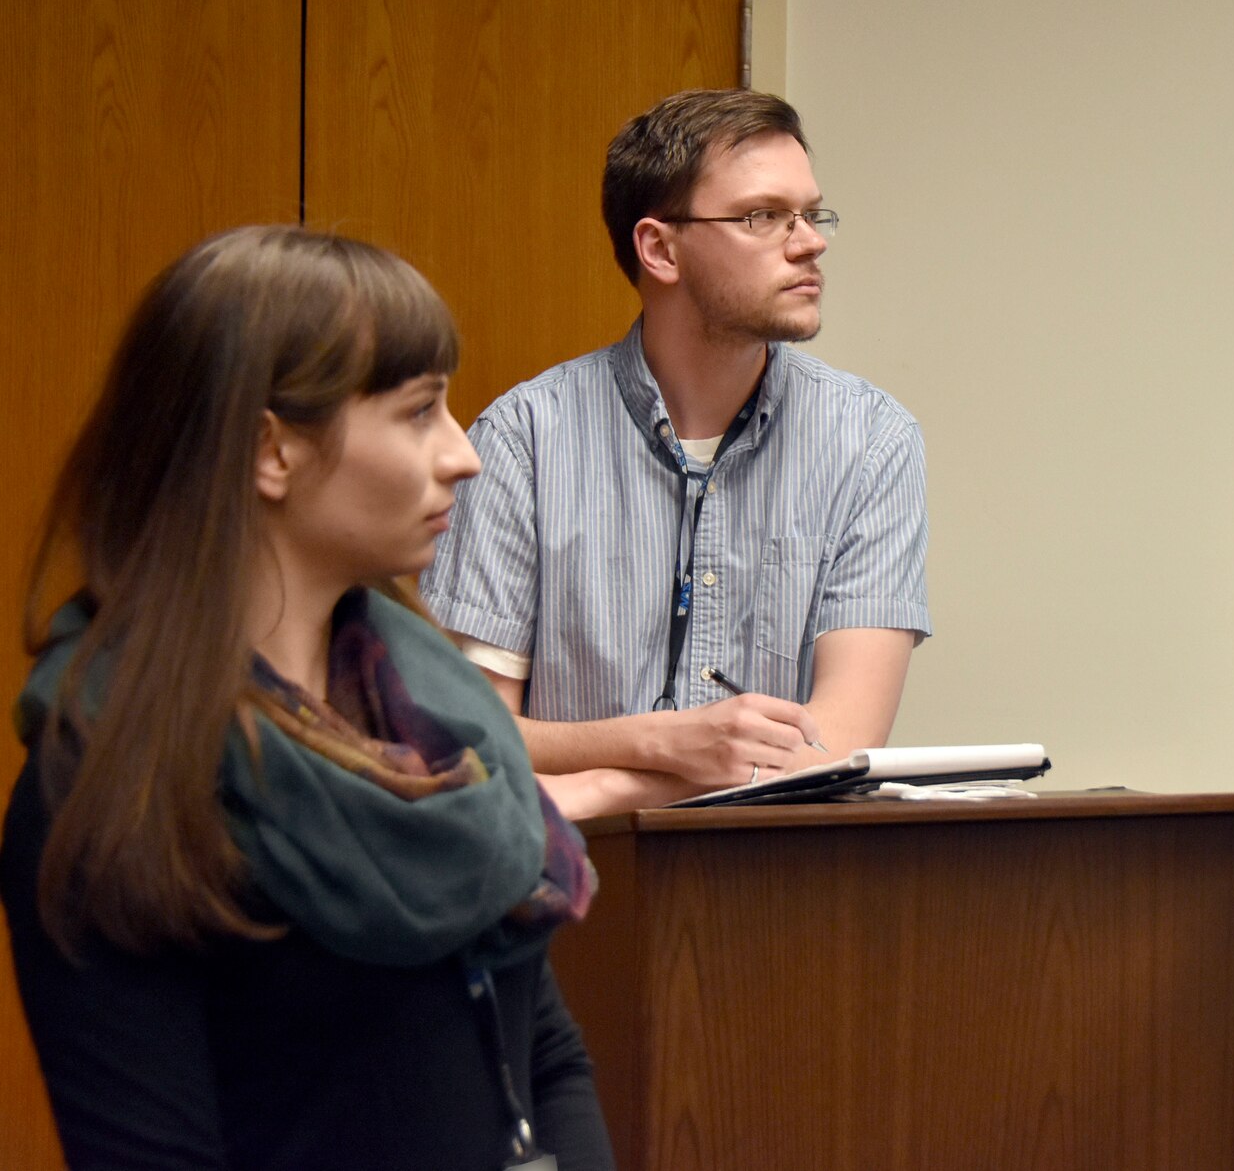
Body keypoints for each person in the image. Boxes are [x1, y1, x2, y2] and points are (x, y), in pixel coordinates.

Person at [2, 226, 612, 1170]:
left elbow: (547, 1056)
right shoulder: (107, 776)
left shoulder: (441, 711)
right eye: (417, 413)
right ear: (270, 451)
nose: (465, 455)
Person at [421, 89, 930, 818]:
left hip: (782, 889)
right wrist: (662, 742)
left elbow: (838, 745)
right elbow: (472, 734)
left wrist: (606, 784)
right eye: (763, 216)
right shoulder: (522, 438)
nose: (809, 240)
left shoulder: (872, 440)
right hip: (577, 894)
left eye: (810, 213)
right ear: (660, 248)